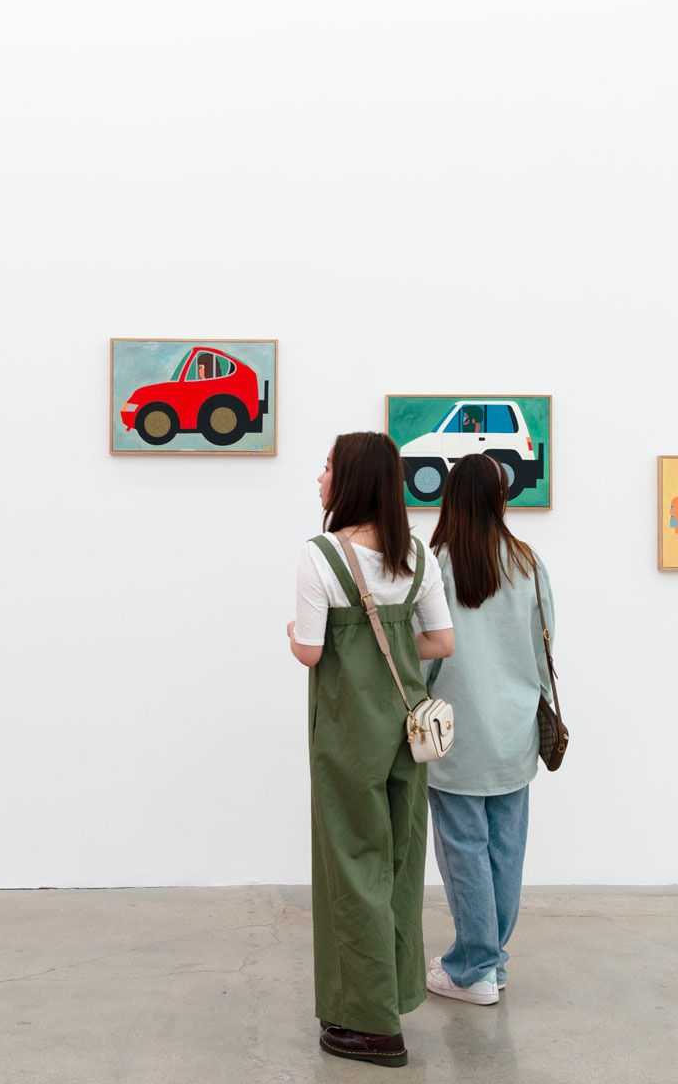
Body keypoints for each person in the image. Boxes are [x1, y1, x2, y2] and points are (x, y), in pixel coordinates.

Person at [287, 431, 455, 1067]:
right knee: (399, 864)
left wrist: (290, 633)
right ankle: (397, 994)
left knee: (351, 865)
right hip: (409, 734)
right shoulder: (417, 554)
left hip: (347, 734)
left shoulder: (320, 556)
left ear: (351, 479)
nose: (321, 477)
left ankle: (371, 1025)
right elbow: (440, 642)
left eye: (328, 466)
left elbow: (309, 650)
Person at [422, 453, 554, 1006]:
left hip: (454, 730)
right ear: (502, 499)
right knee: (506, 847)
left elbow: (422, 651)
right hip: (514, 726)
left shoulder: (437, 564)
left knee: (463, 850)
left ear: (450, 498)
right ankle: (491, 963)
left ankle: (473, 968)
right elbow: (543, 645)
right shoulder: (527, 561)